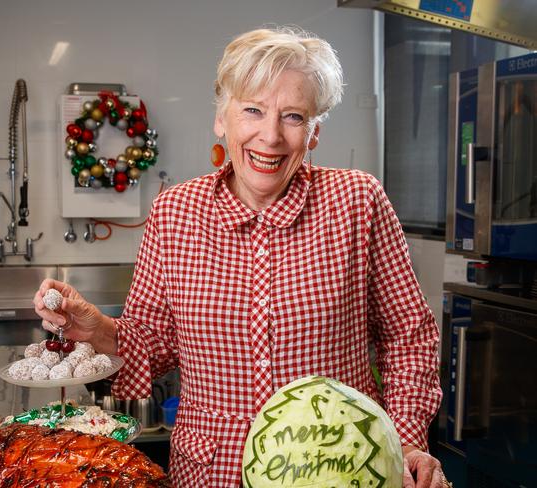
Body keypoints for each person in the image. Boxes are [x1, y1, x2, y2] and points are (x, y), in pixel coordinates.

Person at [34, 27, 449, 488]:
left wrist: (407, 441)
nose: (270, 136)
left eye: (293, 116)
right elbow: (155, 341)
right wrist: (100, 330)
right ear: (221, 118)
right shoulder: (175, 212)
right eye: (252, 109)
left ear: (314, 132)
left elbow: (408, 336)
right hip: (212, 471)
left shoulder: (356, 202)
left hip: (341, 473)